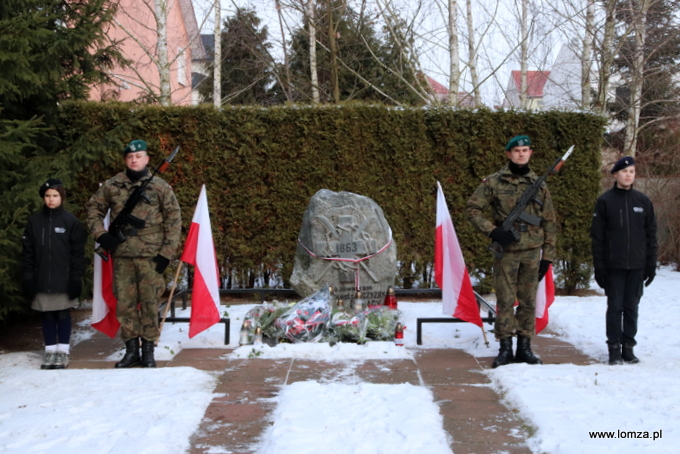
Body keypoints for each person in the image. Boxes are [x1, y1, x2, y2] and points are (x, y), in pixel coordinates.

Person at [86, 140, 181, 368]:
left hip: (151, 257)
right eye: (130, 157)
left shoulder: (159, 186)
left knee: (149, 303)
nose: (134, 160)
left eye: (139, 156)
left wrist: (166, 254)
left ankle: (148, 351)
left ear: (147, 159)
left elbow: (174, 220)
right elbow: (93, 210)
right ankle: (131, 351)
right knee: (125, 305)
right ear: (125, 160)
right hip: (123, 256)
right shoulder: (112, 185)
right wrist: (101, 235)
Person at [466, 135, 557, 368]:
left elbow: (549, 222)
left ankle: (525, 348)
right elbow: (473, 209)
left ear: (530, 153)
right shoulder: (494, 182)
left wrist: (548, 256)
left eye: (525, 150)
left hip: (531, 251)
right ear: (508, 154)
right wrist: (493, 231)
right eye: (516, 150)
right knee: (505, 300)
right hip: (506, 251)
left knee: (528, 301)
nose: (521, 154)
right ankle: (505, 348)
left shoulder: (539, 184)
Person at [590, 156, 657, 365]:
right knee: (615, 307)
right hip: (614, 266)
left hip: (637, 265)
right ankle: (614, 349)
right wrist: (599, 267)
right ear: (616, 174)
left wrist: (651, 264)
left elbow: (651, 235)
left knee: (631, 308)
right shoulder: (605, 201)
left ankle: (628, 347)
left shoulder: (643, 201)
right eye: (625, 171)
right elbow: (597, 237)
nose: (629, 175)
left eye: (632, 172)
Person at [21, 179, 87, 370]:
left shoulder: (70, 222)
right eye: (48, 196)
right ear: (43, 197)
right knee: (47, 314)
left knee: (62, 313)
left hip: (63, 279)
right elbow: (27, 252)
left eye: (55, 196)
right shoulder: (34, 221)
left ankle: (63, 353)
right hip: (41, 277)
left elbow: (77, 254)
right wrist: (27, 277)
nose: (51, 200)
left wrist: (76, 277)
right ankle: (50, 352)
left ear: (62, 197)